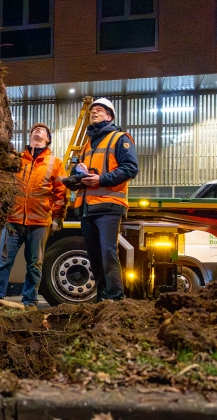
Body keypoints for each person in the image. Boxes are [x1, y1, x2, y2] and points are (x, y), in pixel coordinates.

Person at [0, 123, 67, 308]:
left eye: (42, 130)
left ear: (48, 139)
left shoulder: (55, 163)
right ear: (29, 136)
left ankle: (29, 302)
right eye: (34, 130)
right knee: (3, 261)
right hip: (13, 221)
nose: (37, 130)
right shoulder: (15, 160)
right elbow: (0, 183)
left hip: (39, 222)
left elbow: (61, 193)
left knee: (35, 264)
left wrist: (58, 217)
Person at [71, 98, 139, 302]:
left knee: (108, 253)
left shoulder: (120, 138)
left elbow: (130, 168)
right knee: (94, 256)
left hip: (109, 206)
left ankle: (116, 299)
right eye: (92, 111)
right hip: (87, 208)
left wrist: (100, 179)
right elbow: (78, 170)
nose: (93, 113)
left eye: (99, 110)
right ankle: (102, 300)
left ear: (109, 117)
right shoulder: (87, 145)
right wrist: (76, 176)